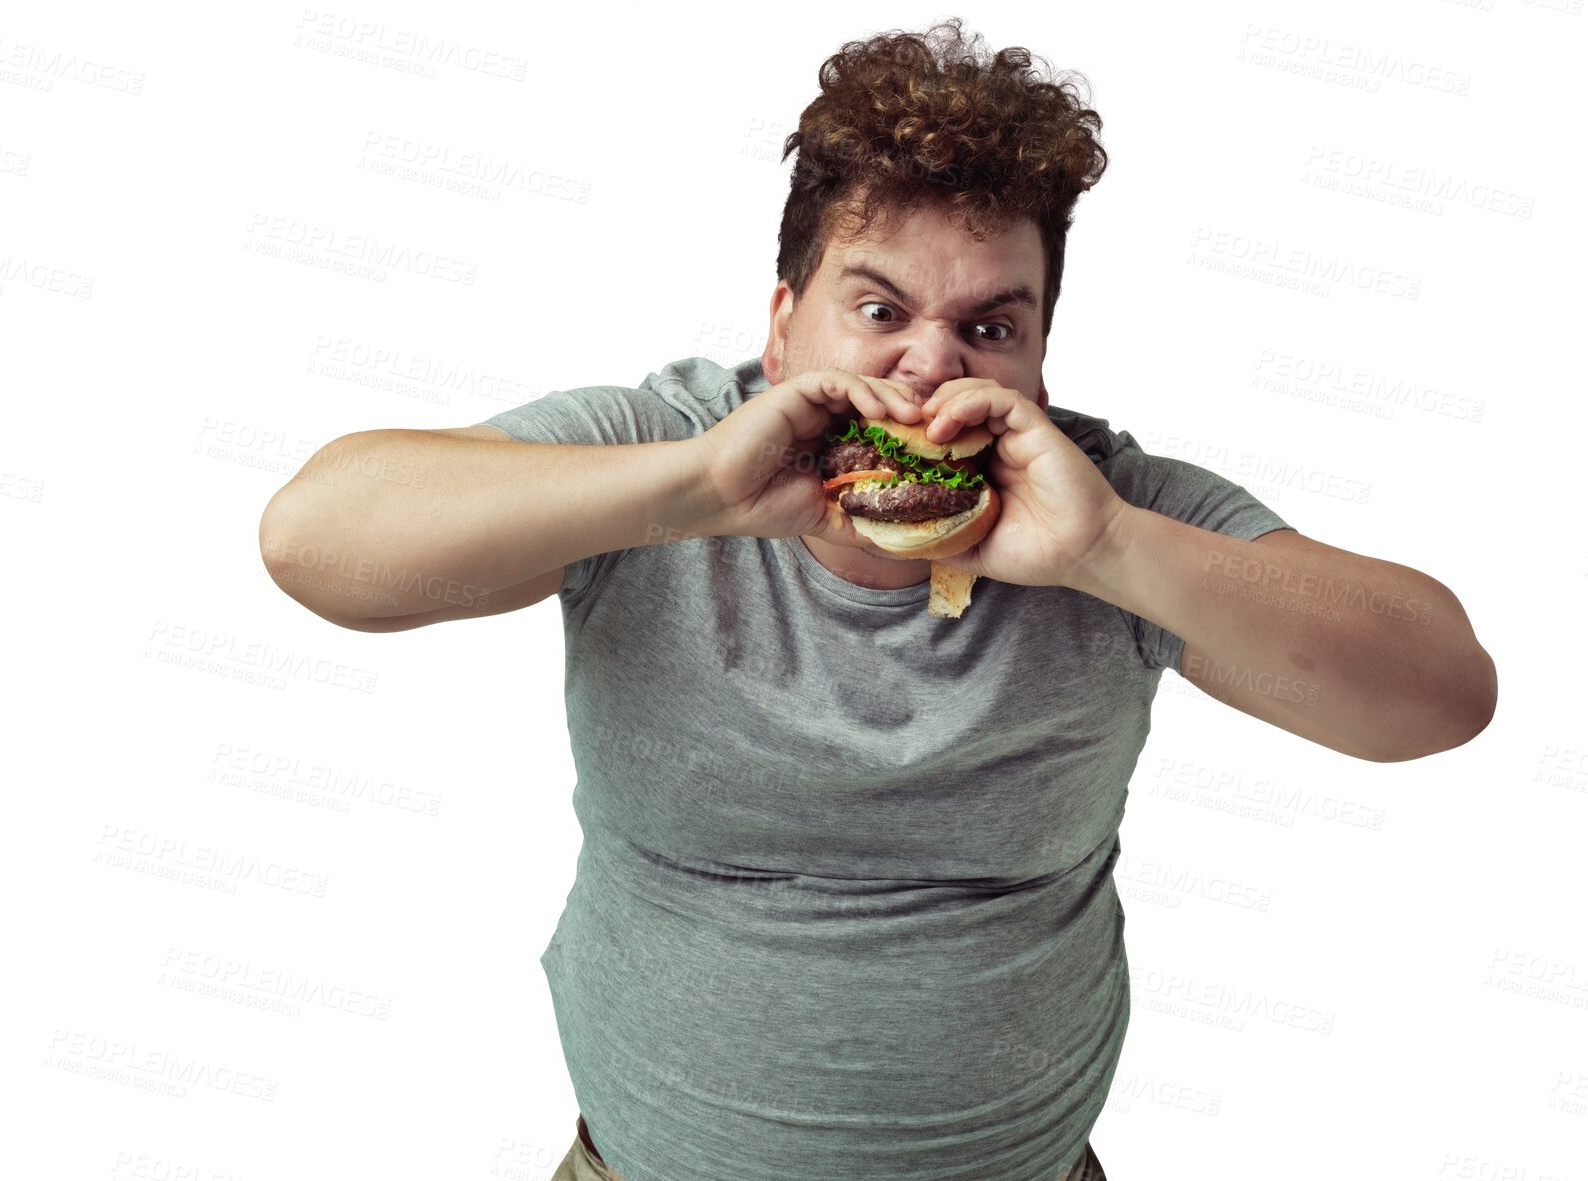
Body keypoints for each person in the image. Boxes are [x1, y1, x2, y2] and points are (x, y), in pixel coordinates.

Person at [259, 19, 1497, 1181]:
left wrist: (1108, 546)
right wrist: (688, 489)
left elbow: (1438, 695)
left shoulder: (1106, 506)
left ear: (1041, 352)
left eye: (991, 324)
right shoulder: (662, 447)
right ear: (784, 325)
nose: (930, 363)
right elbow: (315, 544)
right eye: (878, 309)